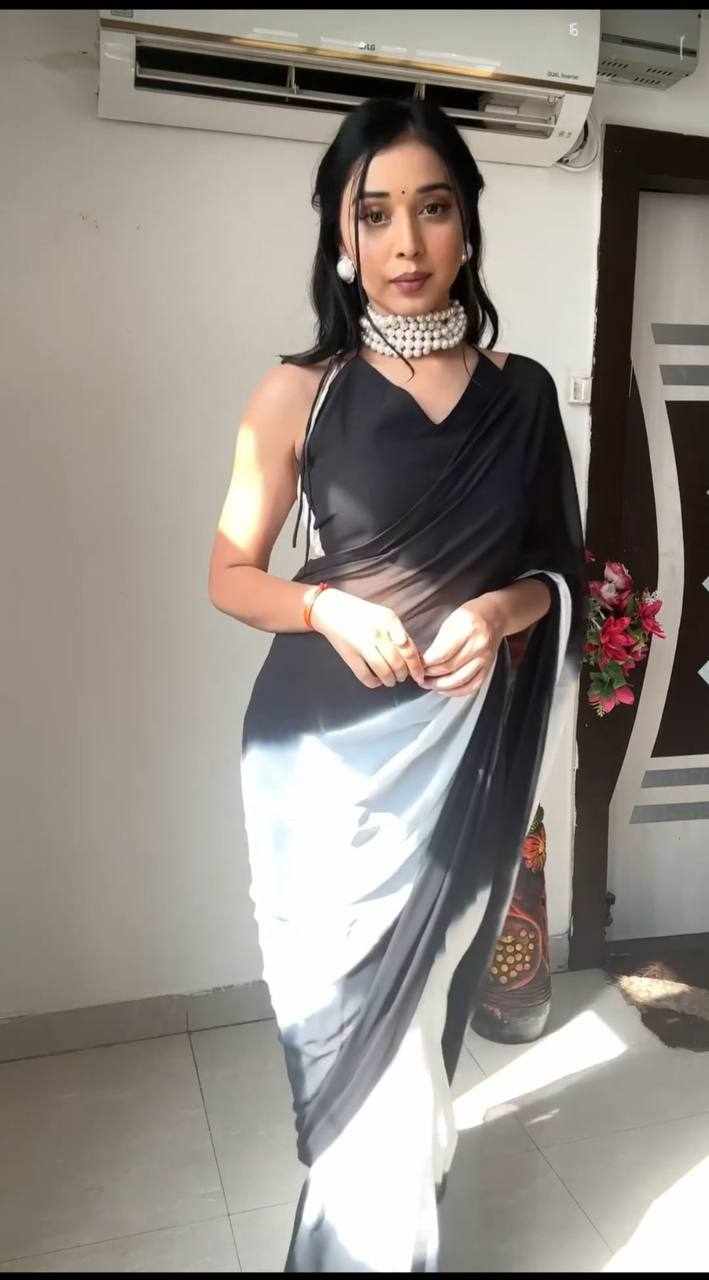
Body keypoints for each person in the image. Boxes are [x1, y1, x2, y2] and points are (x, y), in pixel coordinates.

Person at [208, 97, 586, 1272]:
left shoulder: (523, 395)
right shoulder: (299, 392)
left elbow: (558, 572)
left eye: (433, 208)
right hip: (321, 775)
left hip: (460, 759)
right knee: (354, 1049)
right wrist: (323, 603)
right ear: (341, 235)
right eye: (374, 214)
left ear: (468, 226)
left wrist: (502, 607)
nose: (406, 242)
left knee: (410, 1031)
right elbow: (229, 574)